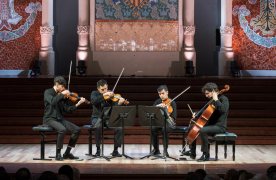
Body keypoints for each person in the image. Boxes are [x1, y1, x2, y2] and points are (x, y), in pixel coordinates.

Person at [182, 82, 229, 161]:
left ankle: (205, 154)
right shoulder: (211, 100)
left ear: (214, 91)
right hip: (211, 125)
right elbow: (204, 110)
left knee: (203, 130)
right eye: (205, 94)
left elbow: (223, 110)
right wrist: (196, 114)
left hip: (220, 126)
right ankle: (192, 152)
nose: (206, 95)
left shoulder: (224, 99)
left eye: (207, 93)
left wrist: (216, 99)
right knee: (192, 127)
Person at [43, 76, 86, 161]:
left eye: (64, 87)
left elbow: (67, 110)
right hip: (49, 118)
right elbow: (52, 102)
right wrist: (62, 94)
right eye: (62, 87)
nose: (63, 89)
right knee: (62, 129)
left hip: (59, 119)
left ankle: (67, 153)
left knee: (77, 129)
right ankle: (58, 154)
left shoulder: (62, 95)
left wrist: (78, 103)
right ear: (57, 84)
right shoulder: (48, 92)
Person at [90, 79, 126, 157]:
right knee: (98, 127)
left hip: (108, 119)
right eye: (102, 89)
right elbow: (94, 101)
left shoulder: (111, 96)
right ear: (98, 89)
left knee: (119, 127)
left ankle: (115, 150)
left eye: (106, 89)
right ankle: (98, 150)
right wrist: (103, 96)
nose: (105, 91)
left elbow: (115, 107)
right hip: (96, 118)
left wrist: (119, 103)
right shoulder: (94, 94)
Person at [151, 85, 177, 156]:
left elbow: (173, 118)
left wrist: (166, 111)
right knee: (153, 128)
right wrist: (157, 107)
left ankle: (165, 150)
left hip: (169, 123)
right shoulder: (157, 102)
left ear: (167, 92)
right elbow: (152, 112)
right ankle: (156, 149)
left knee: (164, 129)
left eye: (163, 93)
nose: (161, 95)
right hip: (160, 123)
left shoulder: (172, 102)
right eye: (159, 94)